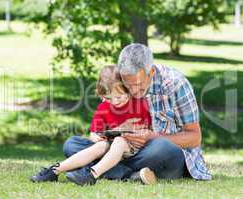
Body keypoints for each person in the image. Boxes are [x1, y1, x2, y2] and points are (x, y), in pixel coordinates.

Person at [63, 43, 212, 183]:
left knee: (161, 147)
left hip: (161, 154)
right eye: (128, 85)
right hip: (123, 151)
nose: (133, 91)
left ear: (151, 72)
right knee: (72, 145)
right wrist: (116, 132)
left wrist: (151, 137)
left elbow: (194, 137)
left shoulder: (176, 84)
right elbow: (104, 125)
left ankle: (108, 169)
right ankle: (133, 175)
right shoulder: (119, 82)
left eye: (139, 85)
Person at [30, 65, 156, 185]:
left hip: (135, 150)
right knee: (77, 144)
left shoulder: (141, 104)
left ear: (128, 88)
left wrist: (138, 132)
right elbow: (93, 135)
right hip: (110, 151)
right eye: (109, 98)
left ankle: (91, 174)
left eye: (119, 97)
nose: (115, 102)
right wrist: (99, 138)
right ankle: (54, 171)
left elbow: (153, 130)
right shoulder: (103, 107)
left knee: (119, 141)